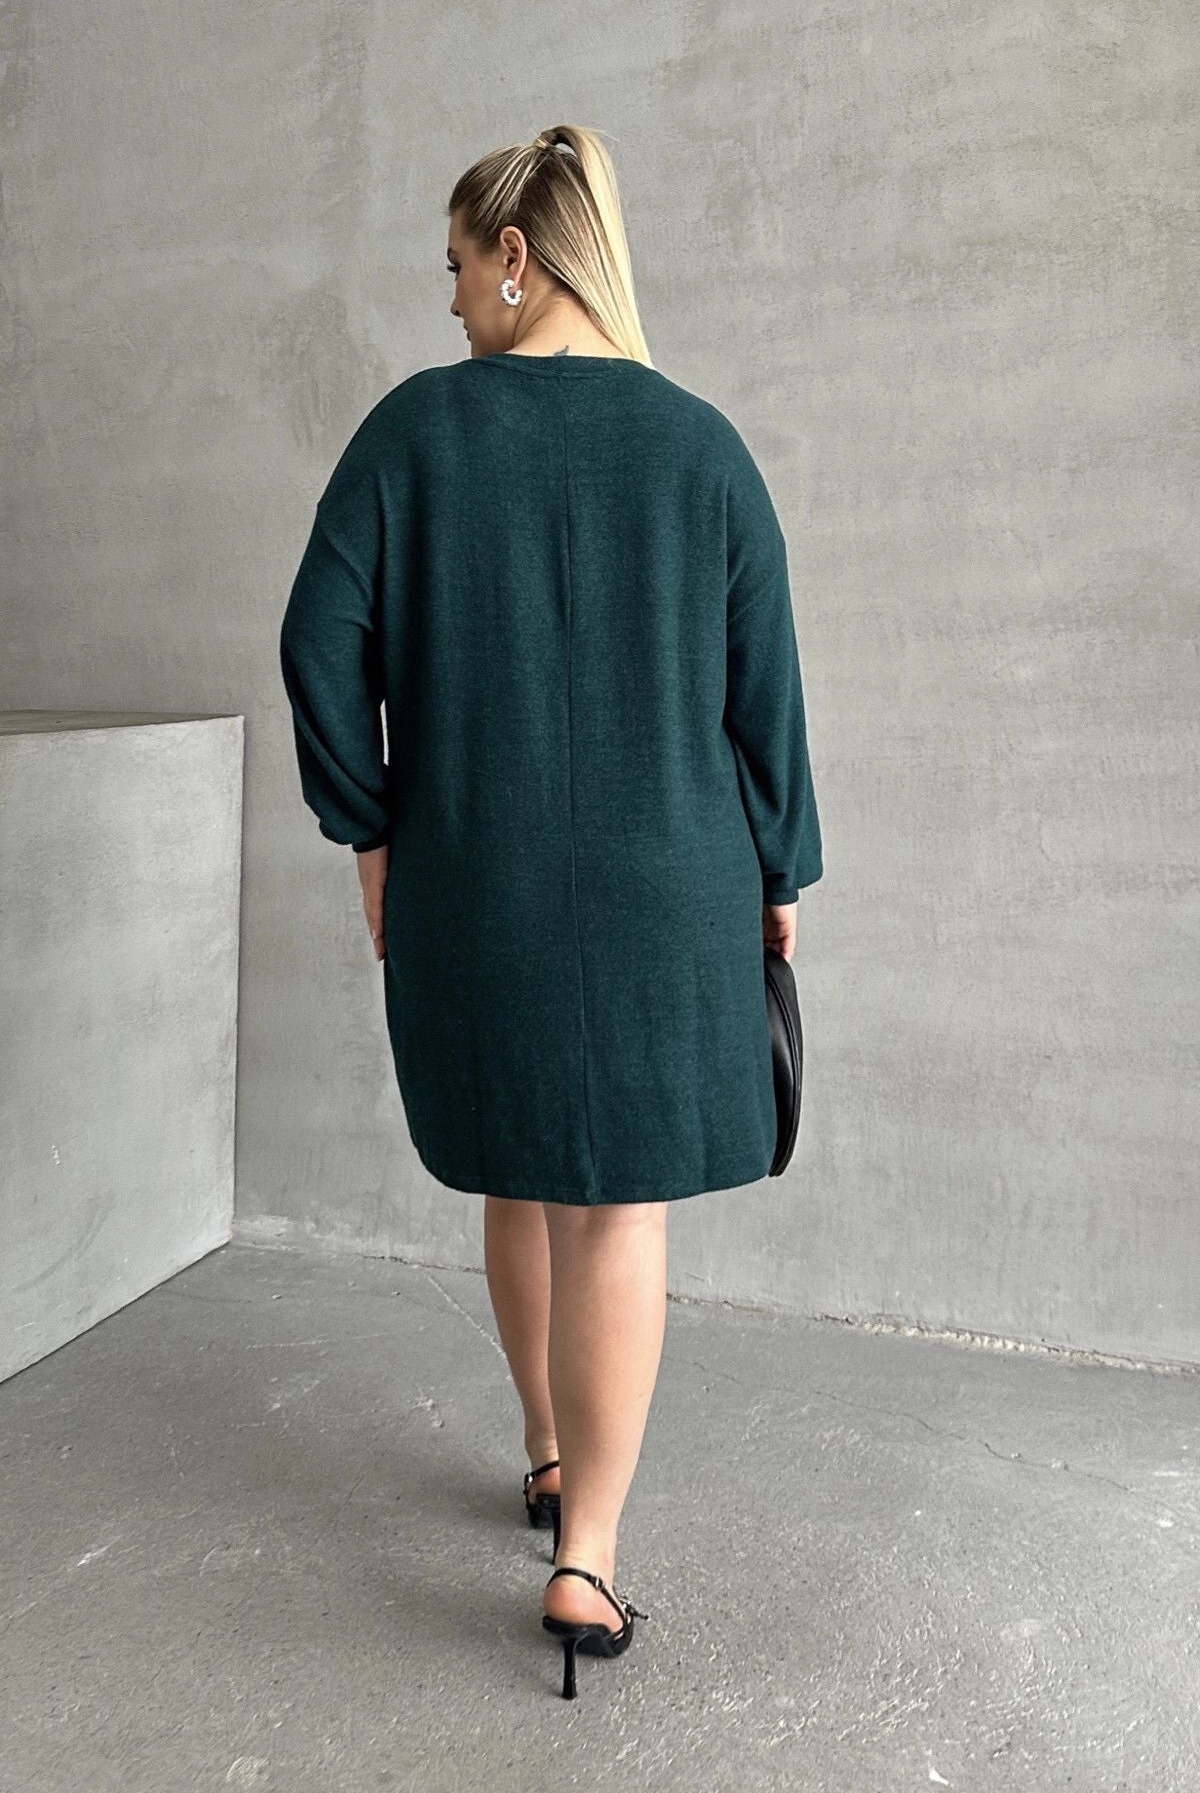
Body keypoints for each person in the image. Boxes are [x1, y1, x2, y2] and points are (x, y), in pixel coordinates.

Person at [279, 123, 823, 1700]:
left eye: (457, 266)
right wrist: (778, 870)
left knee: (521, 1165)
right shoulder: (702, 449)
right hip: (671, 889)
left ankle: (540, 1442)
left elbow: (318, 643)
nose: (451, 299)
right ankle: (586, 1555)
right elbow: (766, 702)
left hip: (477, 881)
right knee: (620, 1207)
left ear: (516, 256)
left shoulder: (412, 436)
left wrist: (370, 827)